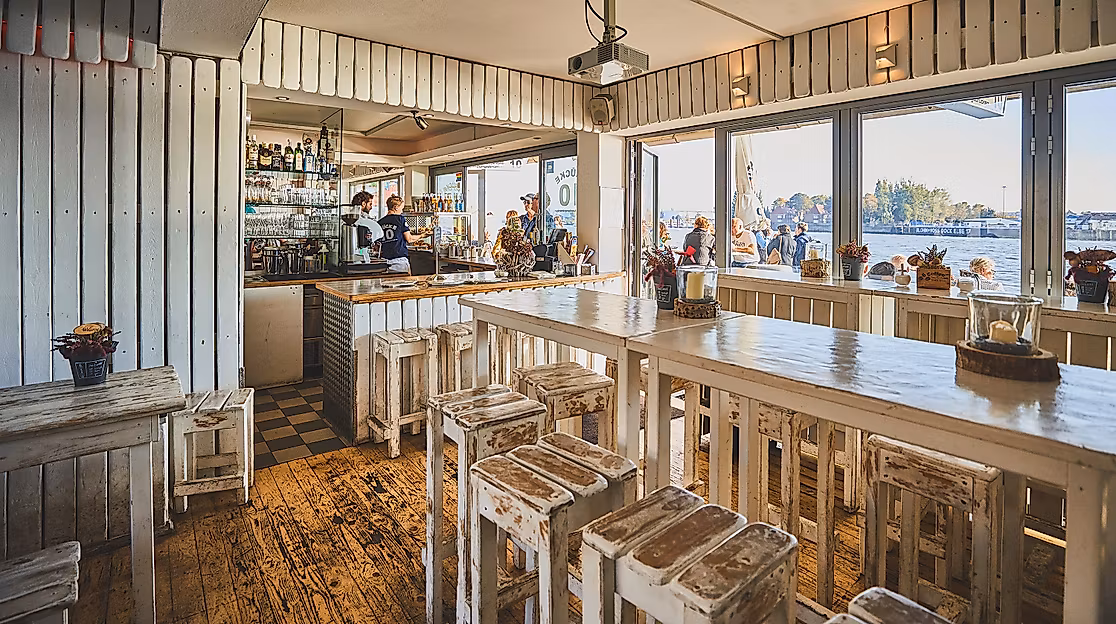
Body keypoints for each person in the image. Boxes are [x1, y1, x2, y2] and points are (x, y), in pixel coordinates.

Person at [378, 195, 429, 274]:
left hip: (384, 261)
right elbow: (409, 239)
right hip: (399, 260)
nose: (401, 212)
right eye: (401, 209)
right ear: (396, 207)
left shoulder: (380, 222)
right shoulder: (400, 219)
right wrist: (422, 235)